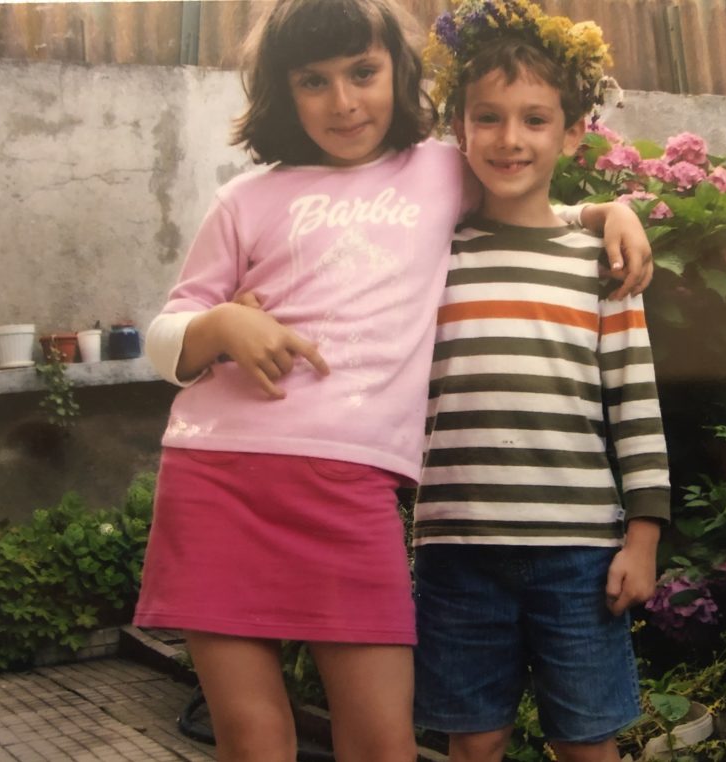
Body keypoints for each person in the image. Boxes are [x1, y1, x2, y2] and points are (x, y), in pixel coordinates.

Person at [133, 0, 653, 760]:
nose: (343, 102)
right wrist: (220, 328)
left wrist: (612, 210)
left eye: (363, 72)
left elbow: (528, 199)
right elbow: (165, 335)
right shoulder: (242, 201)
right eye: (314, 80)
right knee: (251, 737)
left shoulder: (441, 170)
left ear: (399, 71)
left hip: (352, 490)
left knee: (383, 742)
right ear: (284, 90)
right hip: (218, 476)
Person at [412, 4, 671, 762]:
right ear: (457, 127)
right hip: (457, 547)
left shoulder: (601, 262)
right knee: (474, 740)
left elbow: (635, 404)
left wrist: (644, 536)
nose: (510, 139)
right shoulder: (432, 254)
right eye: (487, 118)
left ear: (574, 130)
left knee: (588, 743)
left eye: (534, 119)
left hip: (581, 552)